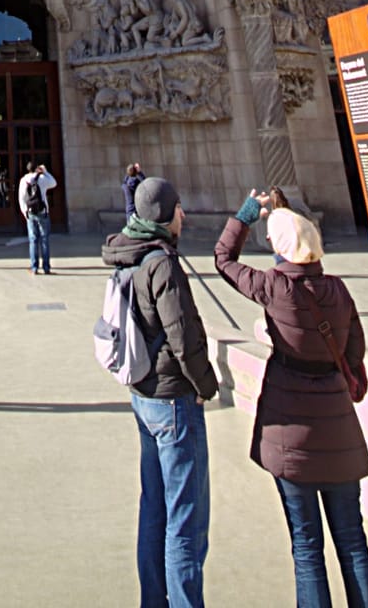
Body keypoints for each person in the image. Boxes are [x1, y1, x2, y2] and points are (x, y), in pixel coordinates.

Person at [215, 190, 368, 608]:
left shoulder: (276, 289)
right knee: (354, 543)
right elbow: (355, 354)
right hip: (338, 430)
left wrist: (247, 214)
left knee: (307, 549)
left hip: (291, 434)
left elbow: (224, 260)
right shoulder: (340, 292)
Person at [102, 175, 218, 608]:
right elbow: (182, 334)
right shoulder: (161, 262)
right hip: (172, 397)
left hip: (143, 392)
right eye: (178, 208)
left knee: (154, 506)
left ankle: (154, 599)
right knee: (185, 518)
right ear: (165, 214)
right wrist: (205, 384)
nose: (183, 215)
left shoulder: (125, 256)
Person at [18, 160, 57, 274]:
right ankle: (46, 267)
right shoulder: (42, 179)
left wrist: (25, 212)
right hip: (42, 211)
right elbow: (54, 183)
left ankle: (34, 267)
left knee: (33, 240)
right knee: (44, 240)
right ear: (36, 169)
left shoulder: (24, 180)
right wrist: (45, 171)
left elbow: (22, 198)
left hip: (31, 212)